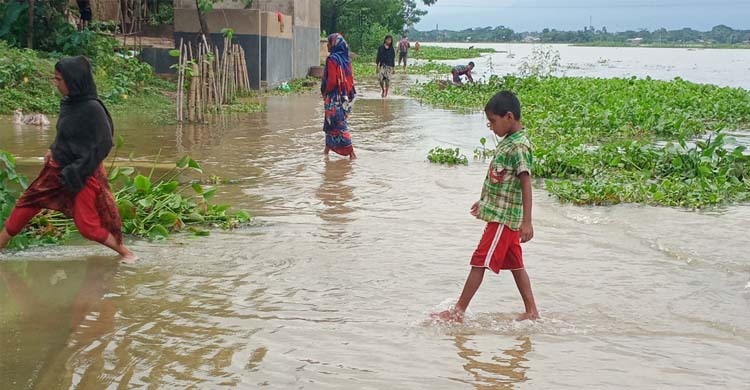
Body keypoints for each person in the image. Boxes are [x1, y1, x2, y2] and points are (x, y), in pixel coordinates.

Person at [0, 56, 136, 263]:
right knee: (26, 205)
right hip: (56, 169)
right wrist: (52, 149)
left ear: (73, 81)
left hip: (81, 173)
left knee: (87, 227)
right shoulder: (69, 103)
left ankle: (126, 253)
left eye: (59, 80)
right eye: (55, 79)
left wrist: (77, 170)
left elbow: (104, 143)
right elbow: (65, 135)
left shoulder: (92, 108)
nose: (56, 84)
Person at [434, 91, 539, 322]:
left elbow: (525, 182)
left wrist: (527, 221)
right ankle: (532, 312)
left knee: (480, 260)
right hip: (501, 214)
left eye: (493, 121)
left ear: (509, 117)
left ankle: (458, 312)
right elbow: (502, 180)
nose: (490, 126)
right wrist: (484, 203)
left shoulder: (519, 146)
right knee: (516, 265)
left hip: (504, 219)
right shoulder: (508, 143)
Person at [321, 33, 357, 159]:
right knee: (331, 125)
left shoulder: (332, 59)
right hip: (345, 97)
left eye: (329, 43)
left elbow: (331, 81)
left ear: (334, 44)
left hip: (334, 98)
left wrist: (325, 92)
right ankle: (326, 153)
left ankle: (352, 154)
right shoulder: (346, 59)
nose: (327, 45)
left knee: (339, 126)